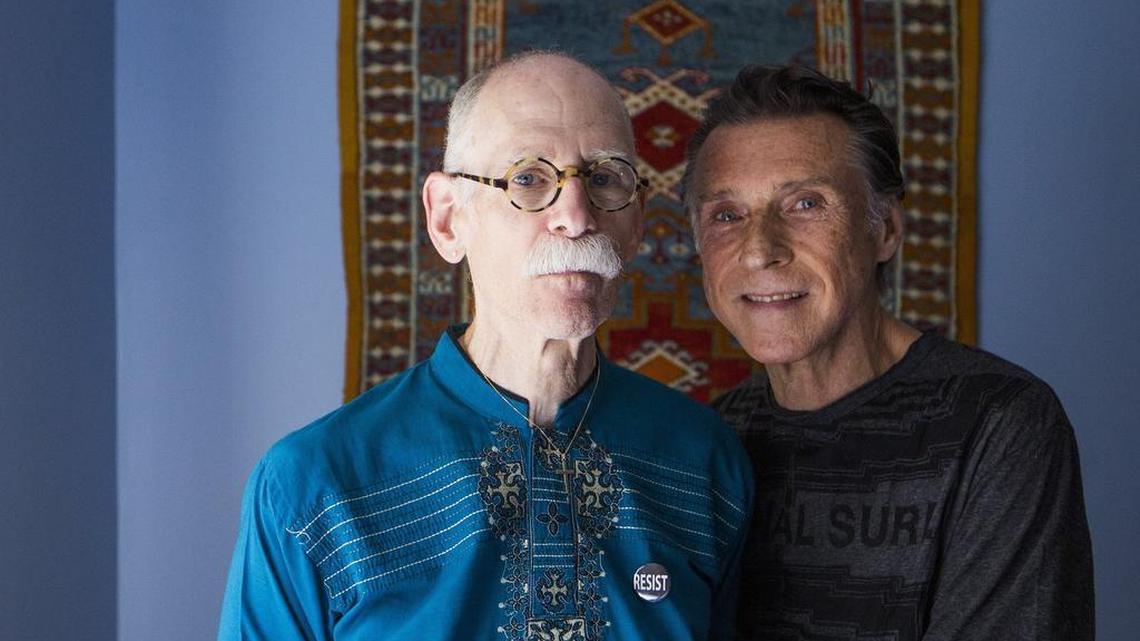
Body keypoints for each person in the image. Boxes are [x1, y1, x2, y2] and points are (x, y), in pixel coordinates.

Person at [218, 51, 753, 641]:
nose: (575, 215)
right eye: (528, 178)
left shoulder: (705, 462)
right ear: (448, 219)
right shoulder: (312, 485)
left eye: (603, 178)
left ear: (637, 218)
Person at [682, 64, 1094, 640]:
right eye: (727, 215)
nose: (759, 251)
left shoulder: (999, 421)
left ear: (886, 230)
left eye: (805, 204)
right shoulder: (705, 447)